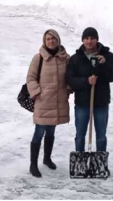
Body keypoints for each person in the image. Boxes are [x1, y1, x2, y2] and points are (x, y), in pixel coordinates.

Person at [67, 27, 113, 153]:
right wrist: (86, 81)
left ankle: (100, 164)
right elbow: (70, 80)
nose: (89, 41)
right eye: (86, 38)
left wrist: (105, 64)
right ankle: (80, 162)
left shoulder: (107, 56)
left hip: (101, 102)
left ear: (97, 40)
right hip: (82, 103)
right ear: (83, 40)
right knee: (80, 135)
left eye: (92, 38)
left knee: (101, 136)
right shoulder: (76, 58)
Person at [27, 29, 71, 178]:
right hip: (43, 102)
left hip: (58, 102)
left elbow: (71, 77)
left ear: (58, 40)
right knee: (39, 132)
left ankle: (47, 158)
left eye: (53, 38)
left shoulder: (66, 58)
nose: (51, 41)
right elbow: (31, 78)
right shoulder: (38, 58)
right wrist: (38, 93)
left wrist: (68, 89)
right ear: (44, 41)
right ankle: (33, 164)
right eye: (48, 39)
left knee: (51, 132)